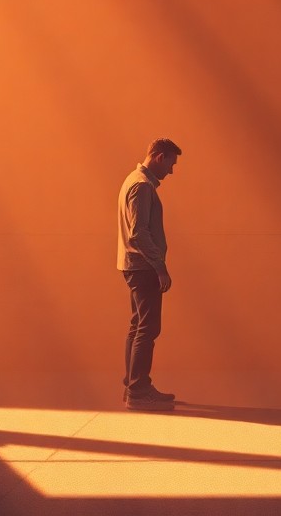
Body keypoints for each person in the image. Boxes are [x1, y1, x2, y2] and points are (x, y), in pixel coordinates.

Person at [117, 138, 181, 410]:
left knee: (138, 326)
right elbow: (139, 233)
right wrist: (160, 267)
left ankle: (133, 385)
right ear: (159, 157)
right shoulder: (142, 186)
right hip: (143, 266)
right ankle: (138, 391)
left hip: (134, 265)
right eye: (170, 163)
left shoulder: (133, 180)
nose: (171, 171)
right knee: (148, 327)